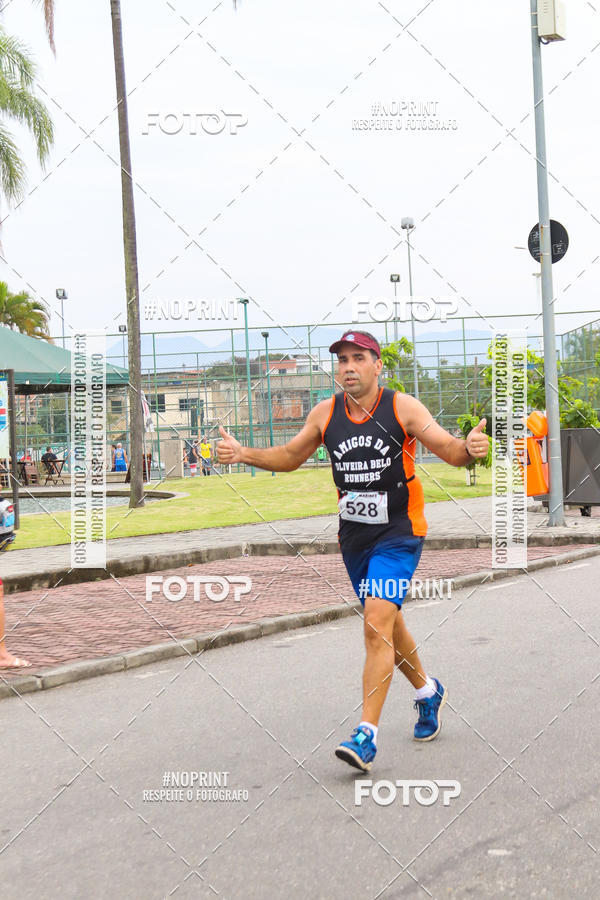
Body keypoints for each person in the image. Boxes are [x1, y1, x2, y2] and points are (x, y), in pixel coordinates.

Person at [217, 330, 489, 772]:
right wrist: (242, 452)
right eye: (342, 359)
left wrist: (470, 449)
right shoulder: (325, 414)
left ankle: (366, 735)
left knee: (376, 623)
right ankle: (427, 692)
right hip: (355, 539)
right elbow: (290, 456)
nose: (348, 366)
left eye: (358, 358)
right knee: (387, 623)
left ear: (377, 365)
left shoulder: (401, 407)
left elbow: (450, 451)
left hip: (400, 533)